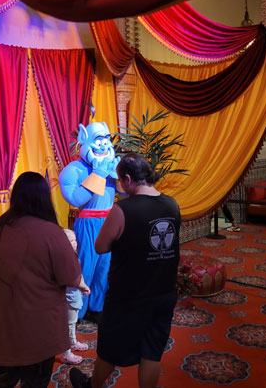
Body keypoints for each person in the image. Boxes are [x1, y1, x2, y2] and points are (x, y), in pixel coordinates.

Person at [70, 153, 181, 388]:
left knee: (110, 347)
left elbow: (100, 246)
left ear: (128, 179)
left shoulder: (123, 210)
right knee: (152, 351)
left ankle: (92, 386)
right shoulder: (172, 204)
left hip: (128, 295)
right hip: (164, 291)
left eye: (120, 180)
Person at [0, 172, 86, 388]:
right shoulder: (51, 232)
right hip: (39, 325)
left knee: (4, 380)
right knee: (36, 381)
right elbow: (71, 276)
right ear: (44, 198)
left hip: (3, 322)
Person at [59, 121, 120, 321]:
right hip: (88, 223)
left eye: (106, 140)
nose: (103, 145)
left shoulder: (112, 166)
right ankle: (78, 310)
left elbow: (125, 194)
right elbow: (76, 199)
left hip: (109, 220)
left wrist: (119, 175)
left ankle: (97, 307)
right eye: (97, 140)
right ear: (84, 140)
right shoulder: (72, 170)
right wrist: (98, 174)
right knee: (85, 267)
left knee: (104, 267)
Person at [62, 229, 91, 365]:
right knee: (68, 325)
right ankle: (66, 353)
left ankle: (73, 343)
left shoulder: (73, 255)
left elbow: (78, 275)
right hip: (69, 297)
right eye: (70, 241)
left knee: (72, 323)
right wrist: (83, 286)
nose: (74, 243)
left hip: (74, 294)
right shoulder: (64, 258)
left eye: (75, 240)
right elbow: (72, 278)